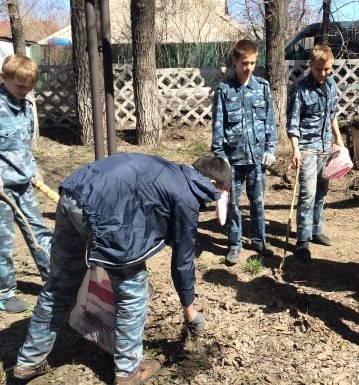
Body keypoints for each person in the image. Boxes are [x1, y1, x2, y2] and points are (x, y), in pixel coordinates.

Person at [14, 154, 230, 384]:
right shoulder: (187, 196)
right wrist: (190, 313)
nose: (211, 201)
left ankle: (29, 362)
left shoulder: (170, 171)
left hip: (73, 192)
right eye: (215, 195)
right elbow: (183, 261)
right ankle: (128, 372)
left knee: (60, 284)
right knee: (133, 294)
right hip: (105, 212)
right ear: (211, 182)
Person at [212, 39, 277, 266]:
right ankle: (234, 244)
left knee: (258, 201)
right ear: (235, 61)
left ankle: (259, 240)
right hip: (233, 159)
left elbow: (270, 121)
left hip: (257, 157)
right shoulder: (224, 90)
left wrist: (270, 149)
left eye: (252, 63)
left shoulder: (262, 87)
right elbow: (218, 126)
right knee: (234, 204)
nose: (249, 68)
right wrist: (221, 159)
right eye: (245, 63)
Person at [0, 54, 52, 314]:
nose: (25, 91)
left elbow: (24, 145)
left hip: (24, 181)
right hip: (2, 188)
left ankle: (54, 280)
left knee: (39, 231)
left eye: (29, 87)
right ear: (4, 78)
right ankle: (4, 293)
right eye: (20, 86)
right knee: (3, 241)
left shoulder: (26, 107)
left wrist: (35, 170)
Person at [286, 44, 345, 261]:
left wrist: (338, 140)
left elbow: (332, 114)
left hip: (325, 147)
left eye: (327, 69)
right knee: (307, 194)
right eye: (319, 69)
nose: (323, 73)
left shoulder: (331, 85)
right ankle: (302, 239)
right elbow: (293, 123)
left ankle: (316, 230)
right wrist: (295, 149)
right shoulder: (299, 89)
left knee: (321, 192)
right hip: (307, 149)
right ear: (311, 65)